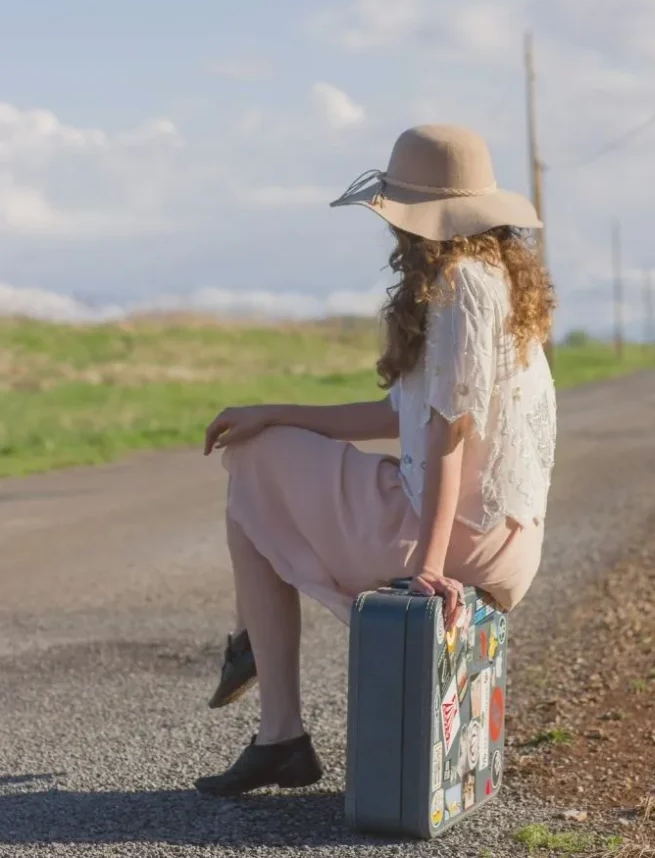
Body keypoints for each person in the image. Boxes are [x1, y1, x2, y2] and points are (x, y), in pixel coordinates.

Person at [194, 124, 557, 797]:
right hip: (504, 535)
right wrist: (275, 410)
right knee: (259, 455)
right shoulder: (496, 280)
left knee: (250, 466)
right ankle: (264, 692)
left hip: (459, 535)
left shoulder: (458, 286)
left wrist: (427, 563)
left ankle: (274, 712)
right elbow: (402, 417)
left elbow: (450, 432)